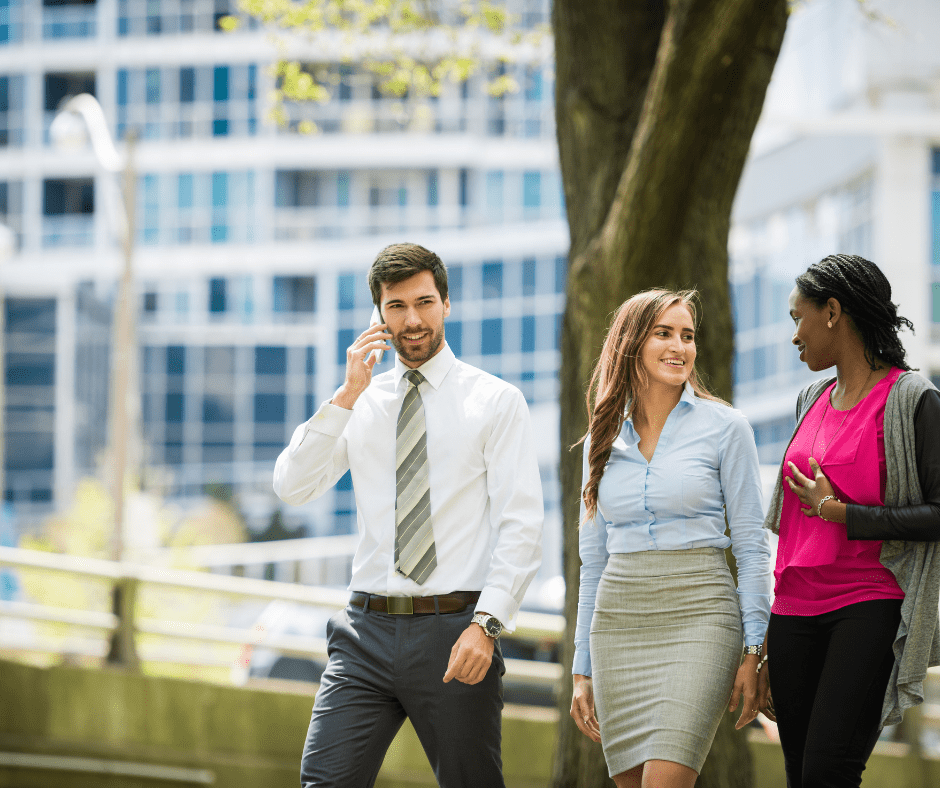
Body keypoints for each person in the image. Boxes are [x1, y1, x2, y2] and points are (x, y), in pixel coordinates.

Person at [273, 243, 544, 788]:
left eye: (424, 302)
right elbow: (293, 486)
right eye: (396, 307)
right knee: (324, 781)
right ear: (379, 315)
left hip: (455, 629)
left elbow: (522, 524)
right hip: (364, 633)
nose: (413, 319)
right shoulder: (360, 402)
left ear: (447, 303)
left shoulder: (495, 402)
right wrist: (347, 394)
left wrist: (486, 626)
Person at [570, 288, 772, 788]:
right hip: (619, 625)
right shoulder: (600, 438)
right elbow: (592, 563)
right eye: (664, 333)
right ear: (631, 343)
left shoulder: (727, 428)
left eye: (688, 336)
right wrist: (581, 667)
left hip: (701, 617)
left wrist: (754, 649)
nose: (679, 346)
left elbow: (751, 546)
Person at [758, 253, 940, 788]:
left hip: (867, 604)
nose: (794, 335)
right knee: (799, 774)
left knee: (829, 773)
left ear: (833, 311)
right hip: (794, 608)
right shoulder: (809, 398)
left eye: (798, 318)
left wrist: (843, 513)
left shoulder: (912, 399)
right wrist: (770, 634)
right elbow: (791, 528)